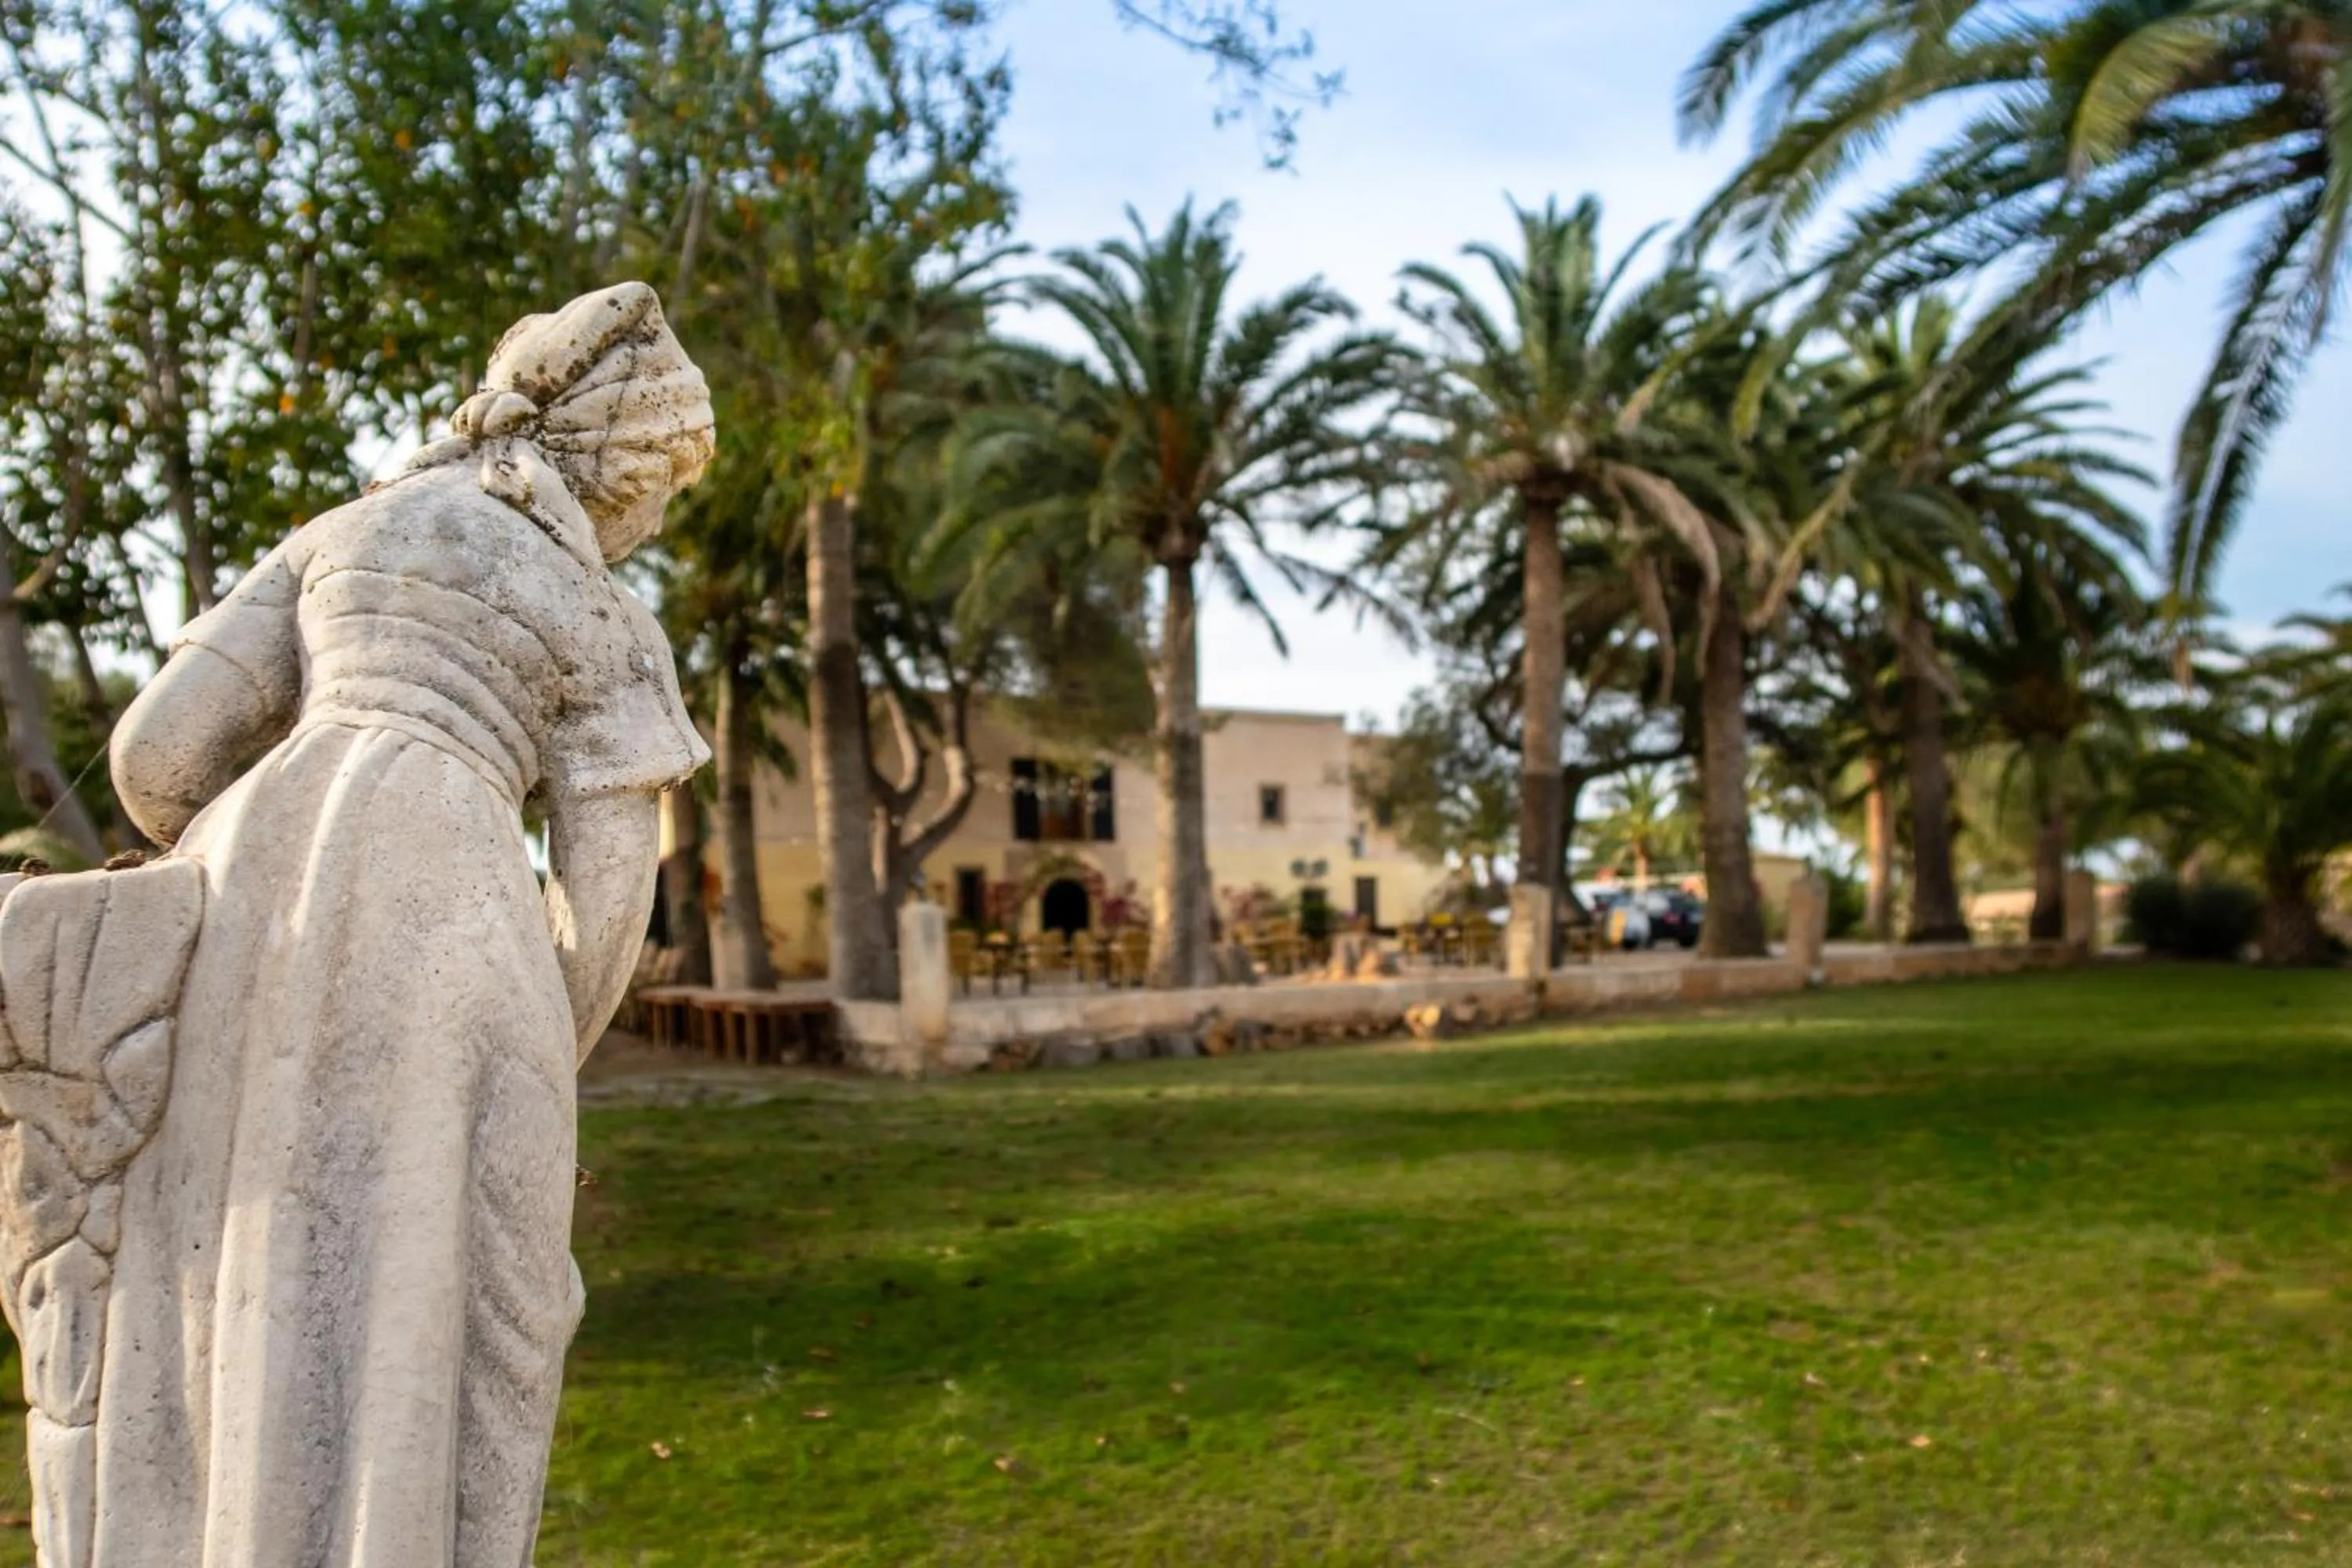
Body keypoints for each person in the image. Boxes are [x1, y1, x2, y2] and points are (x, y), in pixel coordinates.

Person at [91, 282, 713, 1566]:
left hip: (254, 891)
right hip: (462, 923)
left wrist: (257, 863)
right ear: (624, 469)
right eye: (666, 492)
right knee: (443, 1283)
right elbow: (605, 910)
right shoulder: (602, 618)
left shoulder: (343, 533)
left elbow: (155, 762)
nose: (656, 525)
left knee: (238, 1254)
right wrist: (535, 1061)